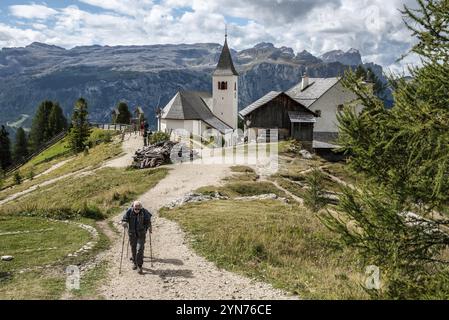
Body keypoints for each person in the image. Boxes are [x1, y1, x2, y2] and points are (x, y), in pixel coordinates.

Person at [121, 201, 152, 274]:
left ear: (140, 208)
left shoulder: (144, 212)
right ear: (133, 207)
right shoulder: (129, 211)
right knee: (133, 249)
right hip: (132, 234)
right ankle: (135, 263)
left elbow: (148, 220)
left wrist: (149, 227)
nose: (137, 210)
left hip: (141, 234)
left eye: (138, 209)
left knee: (140, 249)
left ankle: (139, 266)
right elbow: (124, 219)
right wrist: (124, 223)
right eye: (135, 209)